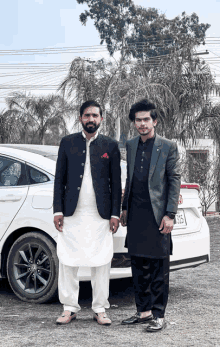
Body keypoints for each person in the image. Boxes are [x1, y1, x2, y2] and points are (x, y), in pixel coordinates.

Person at [53, 100, 121, 326]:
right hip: (72, 214)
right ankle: (69, 307)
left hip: (100, 215)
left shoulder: (110, 145)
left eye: (95, 115)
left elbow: (116, 181)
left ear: (101, 118)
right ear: (80, 118)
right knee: (68, 261)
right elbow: (59, 180)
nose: (91, 119)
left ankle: (100, 308)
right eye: (87, 115)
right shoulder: (67, 143)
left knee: (101, 261)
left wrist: (115, 214)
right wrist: (58, 210)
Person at [120, 99, 181, 332]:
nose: (142, 123)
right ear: (134, 123)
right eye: (138, 120)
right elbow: (130, 179)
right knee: (138, 266)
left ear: (154, 121)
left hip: (157, 216)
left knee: (158, 268)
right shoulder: (131, 144)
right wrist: (124, 208)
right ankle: (143, 312)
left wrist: (170, 214)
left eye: (146, 119)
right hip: (136, 215)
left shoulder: (167, 146)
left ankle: (158, 315)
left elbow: (174, 179)